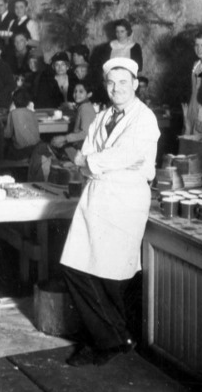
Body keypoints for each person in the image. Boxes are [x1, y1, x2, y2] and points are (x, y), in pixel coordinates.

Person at [60, 57, 161, 363]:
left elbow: (123, 155)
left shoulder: (145, 119)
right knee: (76, 265)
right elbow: (93, 153)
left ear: (135, 84)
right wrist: (94, 161)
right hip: (96, 196)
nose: (116, 88)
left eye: (123, 82)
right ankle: (115, 337)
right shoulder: (102, 117)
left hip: (125, 200)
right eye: (111, 83)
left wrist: (90, 161)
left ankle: (109, 341)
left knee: (111, 272)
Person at [4, 87, 41, 161]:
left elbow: (7, 134)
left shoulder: (12, 113)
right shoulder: (32, 113)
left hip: (22, 151)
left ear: (14, 102)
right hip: (36, 148)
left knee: (5, 147)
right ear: (28, 102)